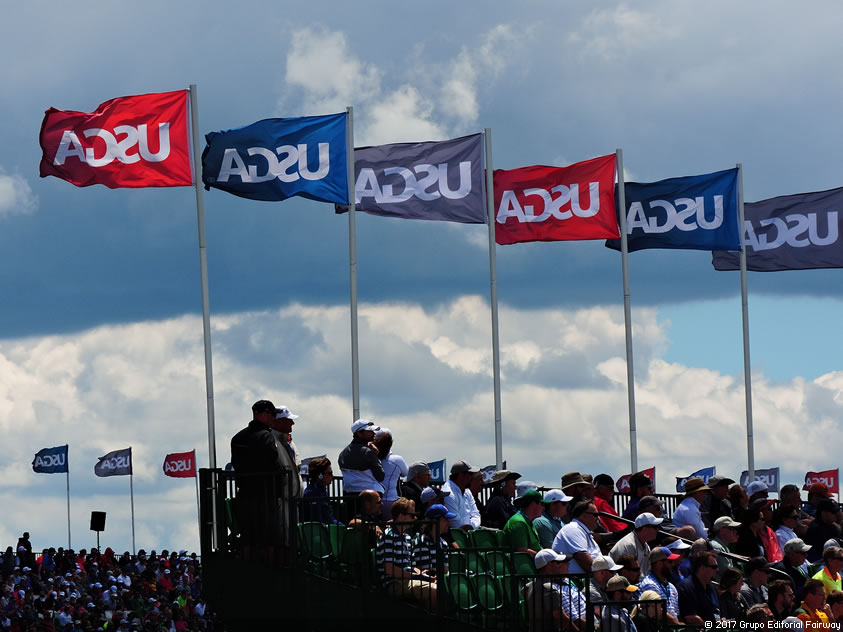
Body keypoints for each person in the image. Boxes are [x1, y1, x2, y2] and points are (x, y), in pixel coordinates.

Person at [230, 399, 286, 562]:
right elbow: (271, 461)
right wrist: (280, 476)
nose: (274, 418)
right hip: (265, 493)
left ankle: (248, 562)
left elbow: (236, 462)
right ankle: (269, 565)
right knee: (270, 533)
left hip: (245, 491)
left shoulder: (237, 437)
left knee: (247, 532)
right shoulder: (266, 436)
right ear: (263, 414)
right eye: (272, 414)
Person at [375, 497, 436, 608]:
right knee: (435, 590)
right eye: (412, 515)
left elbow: (410, 565)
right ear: (401, 516)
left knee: (442, 586)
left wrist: (421, 574)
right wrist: (417, 577)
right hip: (394, 583)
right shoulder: (389, 536)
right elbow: (390, 569)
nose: (415, 518)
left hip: (406, 580)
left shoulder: (406, 537)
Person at [524, 549, 587, 632]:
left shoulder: (529, 585)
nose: (567, 564)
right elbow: (562, 618)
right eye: (558, 562)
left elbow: (523, 590)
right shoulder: (550, 588)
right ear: (549, 565)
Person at [337, 419, 385, 496]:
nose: (373, 433)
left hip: (349, 494)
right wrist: (376, 455)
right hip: (371, 495)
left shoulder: (342, 453)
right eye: (369, 431)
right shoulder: (368, 452)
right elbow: (380, 476)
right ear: (359, 433)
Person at [553, 501, 602, 574]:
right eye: (595, 515)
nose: (598, 518)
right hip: (576, 582)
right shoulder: (573, 529)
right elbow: (585, 561)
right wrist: (606, 578)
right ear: (583, 515)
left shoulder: (582, 531)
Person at [610, 512, 661, 577]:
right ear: (645, 529)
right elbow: (623, 575)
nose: (658, 530)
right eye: (655, 527)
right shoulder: (628, 545)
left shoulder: (645, 545)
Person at [372, 428, 408, 520]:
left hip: (374, 501)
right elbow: (405, 473)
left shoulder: (371, 457)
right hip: (391, 500)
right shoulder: (397, 460)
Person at [677, 551, 721, 624]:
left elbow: (718, 613)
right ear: (702, 568)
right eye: (714, 567)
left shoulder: (712, 588)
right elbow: (690, 617)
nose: (717, 570)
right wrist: (711, 628)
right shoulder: (685, 587)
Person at [414, 504, 457, 577]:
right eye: (445, 519)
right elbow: (427, 573)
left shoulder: (443, 543)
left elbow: (445, 571)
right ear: (435, 522)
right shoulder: (422, 542)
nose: (448, 522)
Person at [503, 489, 548, 556]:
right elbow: (522, 551)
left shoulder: (527, 521)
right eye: (542, 504)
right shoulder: (519, 522)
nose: (543, 508)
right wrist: (543, 557)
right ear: (533, 504)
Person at [300, 457, 341, 525]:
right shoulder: (313, 494)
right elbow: (324, 520)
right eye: (330, 473)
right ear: (320, 475)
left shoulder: (320, 492)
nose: (332, 476)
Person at [442, 461, 481, 531]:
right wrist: (471, 526)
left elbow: (476, 514)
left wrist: (471, 526)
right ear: (461, 476)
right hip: (456, 537)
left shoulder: (467, 491)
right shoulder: (448, 493)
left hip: (469, 533)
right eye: (470, 474)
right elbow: (455, 524)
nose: (472, 477)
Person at [710, 516, 740, 580]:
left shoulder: (722, 546)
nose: (735, 532)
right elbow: (727, 573)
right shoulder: (717, 547)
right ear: (722, 530)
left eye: (735, 529)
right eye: (731, 529)